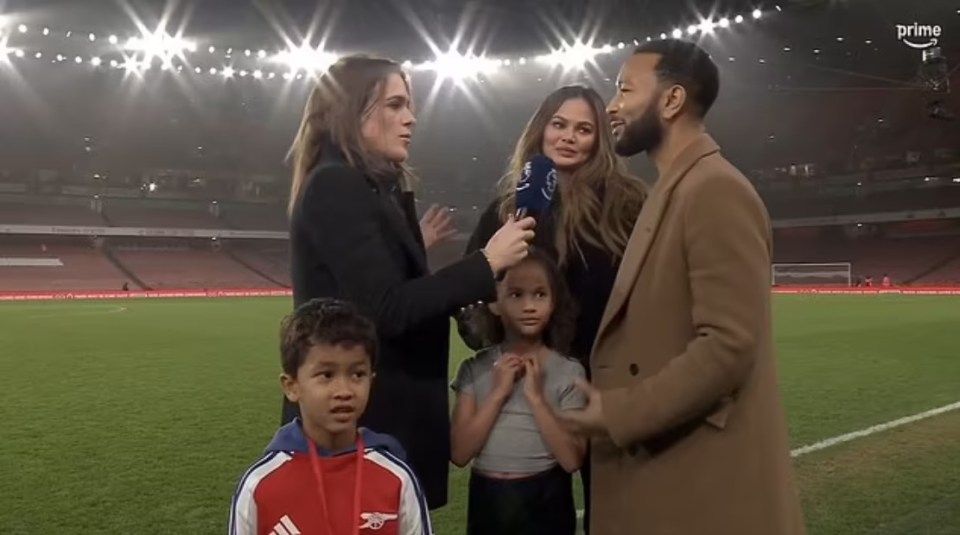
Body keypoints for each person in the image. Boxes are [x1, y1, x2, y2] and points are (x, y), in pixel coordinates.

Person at [560, 39, 806, 534]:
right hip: (674, 474)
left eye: (626, 89)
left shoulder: (714, 189)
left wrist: (619, 410)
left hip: (700, 485)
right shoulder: (672, 189)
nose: (612, 105)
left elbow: (728, 346)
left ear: (671, 101)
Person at [286, 54, 536, 510]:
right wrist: (486, 261)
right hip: (365, 422)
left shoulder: (364, 186)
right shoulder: (336, 184)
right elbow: (386, 308)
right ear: (352, 111)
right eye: (395, 105)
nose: (411, 117)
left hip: (376, 421)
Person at [459, 85, 647, 531]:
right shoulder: (505, 211)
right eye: (559, 124)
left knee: (614, 513)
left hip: (607, 386)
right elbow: (472, 298)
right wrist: (487, 330)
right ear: (540, 129)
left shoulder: (628, 205)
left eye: (584, 129)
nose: (568, 137)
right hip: (528, 388)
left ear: (600, 139)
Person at [230, 298, 431, 535]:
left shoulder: (397, 477)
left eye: (357, 374)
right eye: (326, 375)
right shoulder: (260, 486)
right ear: (292, 386)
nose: (344, 391)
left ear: (371, 380)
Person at [450, 249, 586, 535]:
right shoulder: (475, 369)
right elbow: (460, 453)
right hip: (488, 502)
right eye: (516, 295)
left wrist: (536, 399)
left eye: (539, 294)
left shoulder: (568, 372)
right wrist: (498, 393)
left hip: (546, 499)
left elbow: (572, 459)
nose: (529, 306)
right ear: (496, 304)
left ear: (554, 302)